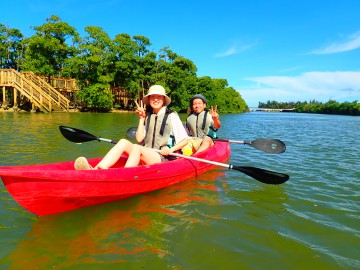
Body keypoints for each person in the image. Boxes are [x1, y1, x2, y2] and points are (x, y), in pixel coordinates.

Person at [74, 85, 189, 170]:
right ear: (148, 100)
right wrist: (141, 119)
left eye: (159, 97)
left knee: (137, 148)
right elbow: (139, 139)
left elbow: (185, 140)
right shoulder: (148, 116)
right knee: (124, 142)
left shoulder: (172, 116)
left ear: (164, 100)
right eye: (152, 97)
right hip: (148, 152)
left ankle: (124, 175)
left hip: (164, 157)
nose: (156, 99)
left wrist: (171, 150)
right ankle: (98, 169)